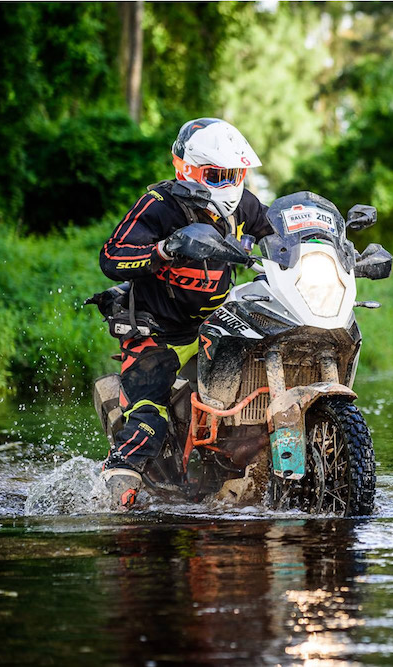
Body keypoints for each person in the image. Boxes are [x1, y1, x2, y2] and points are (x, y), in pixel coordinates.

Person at [98, 118, 272, 509]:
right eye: (218, 175)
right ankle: (115, 485)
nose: (229, 183)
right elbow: (111, 257)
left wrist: (318, 246)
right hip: (158, 333)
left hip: (219, 326)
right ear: (188, 168)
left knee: (254, 401)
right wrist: (164, 250)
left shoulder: (244, 206)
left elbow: (277, 235)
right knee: (149, 420)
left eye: (235, 174)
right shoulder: (159, 206)